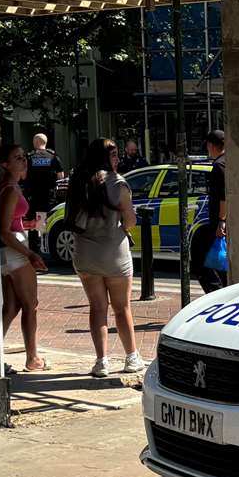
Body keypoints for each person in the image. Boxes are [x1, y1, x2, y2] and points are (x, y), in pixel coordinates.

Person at [69, 138, 145, 378]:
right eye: (113, 155)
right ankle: (131, 356)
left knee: (97, 307)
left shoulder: (79, 181)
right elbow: (130, 220)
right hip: (114, 253)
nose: (118, 159)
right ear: (105, 158)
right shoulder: (119, 184)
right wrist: (123, 228)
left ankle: (101, 361)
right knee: (122, 308)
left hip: (85, 254)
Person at [0, 142, 48, 373]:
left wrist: (27, 224)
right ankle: (33, 358)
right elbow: (5, 230)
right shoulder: (9, 189)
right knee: (31, 304)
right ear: (4, 164)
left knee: (11, 307)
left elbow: (11, 223)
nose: (23, 160)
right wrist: (29, 254)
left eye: (23, 156)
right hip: (15, 252)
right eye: (17, 158)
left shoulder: (9, 187)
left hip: (9, 253)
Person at [190, 130, 228, 295]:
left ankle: (216, 295)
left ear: (211, 145)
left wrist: (221, 221)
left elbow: (223, 197)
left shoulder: (219, 166)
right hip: (224, 221)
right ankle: (224, 292)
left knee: (199, 261)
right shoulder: (229, 162)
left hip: (218, 222)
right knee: (218, 261)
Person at [23, 133, 63, 255]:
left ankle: (34, 251)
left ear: (35, 143)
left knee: (33, 225)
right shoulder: (53, 156)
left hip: (33, 196)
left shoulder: (29, 157)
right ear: (45, 142)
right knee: (45, 221)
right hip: (48, 196)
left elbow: (23, 176)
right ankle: (46, 248)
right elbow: (60, 176)